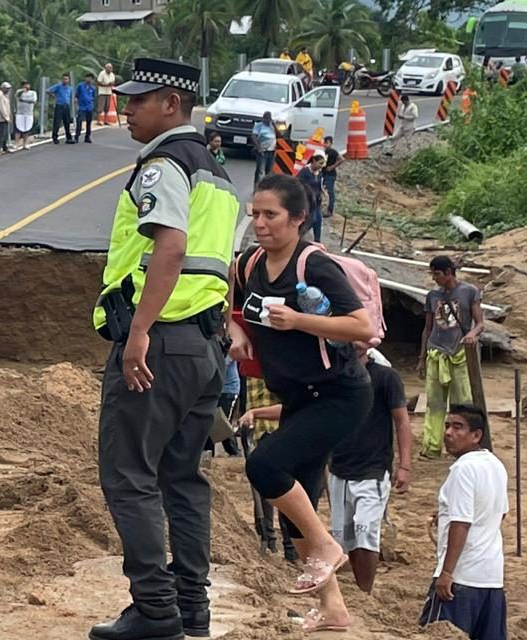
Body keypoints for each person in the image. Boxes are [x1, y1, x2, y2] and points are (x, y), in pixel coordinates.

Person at [88, 58, 240, 640]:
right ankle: (191, 608)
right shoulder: (217, 172)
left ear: (170, 104)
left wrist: (140, 333)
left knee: (128, 476)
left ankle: (155, 612)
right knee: (183, 477)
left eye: (136, 101)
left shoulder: (164, 164)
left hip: (161, 342)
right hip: (202, 346)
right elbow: (221, 264)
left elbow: (171, 248)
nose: (125, 109)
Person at [229, 174, 377, 634]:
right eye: (254, 214)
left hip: (339, 395)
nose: (260, 224)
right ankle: (333, 610)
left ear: (298, 219)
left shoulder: (313, 265)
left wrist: (300, 320)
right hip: (295, 396)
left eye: (270, 215)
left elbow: (361, 326)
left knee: (265, 468)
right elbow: (234, 306)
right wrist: (237, 334)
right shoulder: (249, 264)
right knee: (299, 507)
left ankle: (328, 548)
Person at [325, 344, 413, 593]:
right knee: (344, 536)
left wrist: (404, 465)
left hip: (372, 469)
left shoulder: (385, 377)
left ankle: (365, 589)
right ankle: (360, 585)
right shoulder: (334, 376)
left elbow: (402, 420)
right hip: (340, 467)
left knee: (365, 532)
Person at [419, 404, 508, 640]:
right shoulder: (495, 465)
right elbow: (500, 513)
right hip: (491, 577)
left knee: (438, 633)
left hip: (462, 577)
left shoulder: (463, 469)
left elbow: (461, 523)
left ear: (476, 435)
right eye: (447, 426)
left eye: (458, 427)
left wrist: (447, 573)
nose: (448, 433)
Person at [419, 256, 484, 459]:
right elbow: (427, 329)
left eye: (437, 274)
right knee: (435, 403)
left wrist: (471, 335)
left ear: (449, 272)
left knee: (461, 403)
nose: (435, 278)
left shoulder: (469, 291)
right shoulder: (432, 296)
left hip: (459, 355)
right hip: (436, 353)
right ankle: (432, 447)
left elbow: (480, 323)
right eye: (433, 274)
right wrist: (422, 357)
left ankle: (461, 447)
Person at [237, 385, 298, 563]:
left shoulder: (281, 368)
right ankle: (269, 538)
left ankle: (290, 548)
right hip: (258, 432)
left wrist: (256, 412)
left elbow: (291, 405)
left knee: (284, 491)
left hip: (281, 433)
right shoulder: (250, 369)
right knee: (265, 492)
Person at [296, 151, 326, 242]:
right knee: (310, 220)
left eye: (322, 164)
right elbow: (297, 184)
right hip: (307, 202)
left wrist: (324, 194)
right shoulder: (305, 172)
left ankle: (317, 241)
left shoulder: (319, 174)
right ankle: (298, 237)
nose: (321, 166)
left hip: (317, 202)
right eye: (320, 163)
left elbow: (320, 185)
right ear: (313, 161)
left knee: (318, 221)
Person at [251, 112, 278, 186]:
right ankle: (256, 188)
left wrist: (274, 126)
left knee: (269, 172)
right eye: (266, 118)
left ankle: (266, 188)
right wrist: (258, 148)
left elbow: (280, 136)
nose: (267, 120)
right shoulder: (258, 125)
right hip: (262, 151)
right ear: (263, 118)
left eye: (269, 118)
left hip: (272, 151)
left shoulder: (272, 126)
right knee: (260, 171)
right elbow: (253, 136)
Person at [47, 73, 75, 144]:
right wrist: (55, 96)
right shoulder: (58, 86)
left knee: (67, 122)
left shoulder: (69, 88)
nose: (65, 80)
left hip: (66, 106)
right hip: (59, 105)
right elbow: (48, 90)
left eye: (66, 79)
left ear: (68, 80)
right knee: (57, 122)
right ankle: (55, 137)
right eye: (64, 79)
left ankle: (69, 138)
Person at [322, 136, 343, 217]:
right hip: (324, 174)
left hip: (330, 175)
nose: (325, 144)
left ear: (331, 143)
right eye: (324, 143)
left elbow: (341, 159)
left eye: (326, 143)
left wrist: (332, 167)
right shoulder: (325, 152)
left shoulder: (332, 151)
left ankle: (330, 210)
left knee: (330, 193)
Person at [15, 80, 38, 150]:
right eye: (25, 85)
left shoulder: (33, 93)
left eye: (27, 84)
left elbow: (33, 100)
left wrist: (24, 100)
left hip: (29, 113)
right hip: (20, 113)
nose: (26, 86)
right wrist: (22, 91)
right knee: (18, 129)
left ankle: (25, 144)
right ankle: (16, 144)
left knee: (27, 129)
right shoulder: (19, 92)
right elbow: (17, 96)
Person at [75, 72, 98, 143]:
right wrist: (76, 101)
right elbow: (77, 95)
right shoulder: (80, 86)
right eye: (88, 78)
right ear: (85, 78)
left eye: (91, 79)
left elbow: (94, 96)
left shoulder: (92, 88)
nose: (89, 80)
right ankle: (77, 135)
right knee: (79, 121)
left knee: (89, 122)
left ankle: (87, 137)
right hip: (82, 106)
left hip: (89, 106)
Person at [0, 81, 14, 154]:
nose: (8, 90)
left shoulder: (5, 95)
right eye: (6, 88)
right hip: (0, 118)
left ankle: (4, 147)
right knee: (0, 134)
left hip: (5, 117)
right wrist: (6, 117)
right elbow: (1, 108)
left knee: (5, 134)